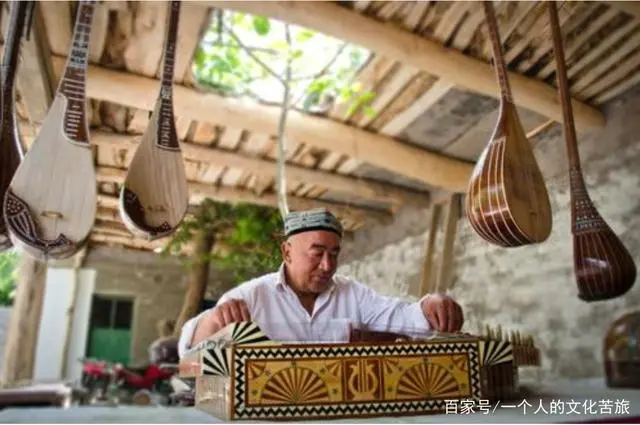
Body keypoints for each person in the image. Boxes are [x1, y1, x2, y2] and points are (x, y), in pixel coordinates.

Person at [178, 208, 464, 358]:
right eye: (317, 253)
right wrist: (213, 322)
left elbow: (405, 318)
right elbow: (188, 353)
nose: (327, 266)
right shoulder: (251, 297)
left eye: (334, 254)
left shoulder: (353, 294)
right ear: (287, 252)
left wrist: (431, 306)